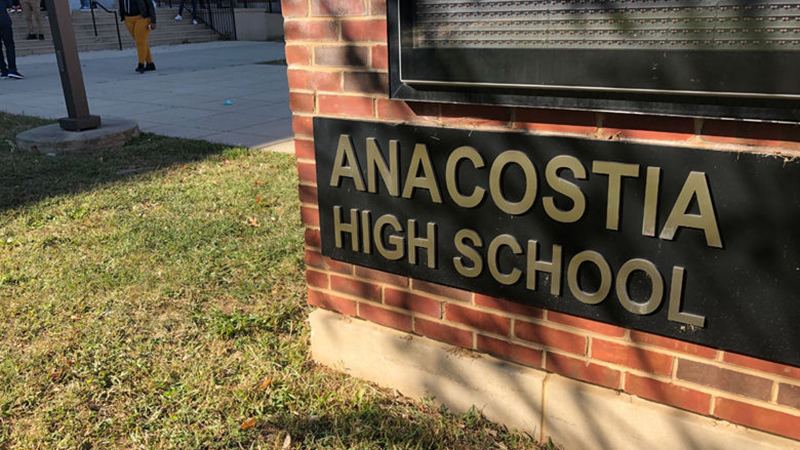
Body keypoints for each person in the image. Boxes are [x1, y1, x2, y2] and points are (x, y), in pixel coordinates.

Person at [119, 0, 156, 73]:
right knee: (141, 41)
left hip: (142, 17)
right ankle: (150, 63)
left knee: (140, 42)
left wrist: (153, 21)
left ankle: (141, 64)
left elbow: (150, 5)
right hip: (128, 19)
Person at [0, 0, 24, 79]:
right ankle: (12, 69)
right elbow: (9, 4)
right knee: (9, 45)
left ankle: (3, 70)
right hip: (3, 21)